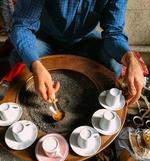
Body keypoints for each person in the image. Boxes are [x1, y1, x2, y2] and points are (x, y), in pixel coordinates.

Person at [9, 0, 144, 104]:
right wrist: (35, 65)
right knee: (20, 59)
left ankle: (105, 106)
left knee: (114, 63)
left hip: (84, 39)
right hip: (46, 38)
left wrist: (130, 58)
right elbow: (22, 26)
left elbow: (114, 32)